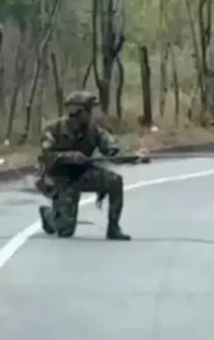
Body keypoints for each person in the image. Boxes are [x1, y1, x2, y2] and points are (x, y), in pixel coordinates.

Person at [36, 90, 145, 240]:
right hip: (59, 177)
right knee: (65, 230)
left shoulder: (93, 130)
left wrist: (133, 157)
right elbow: (45, 157)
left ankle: (113, 228)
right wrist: (70, 156)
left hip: (82, 174)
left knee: (114, 180)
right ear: (76, 112)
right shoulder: (53, 130)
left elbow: (112, 149)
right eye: (87, 110)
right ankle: (48, 215)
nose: (90, 114)